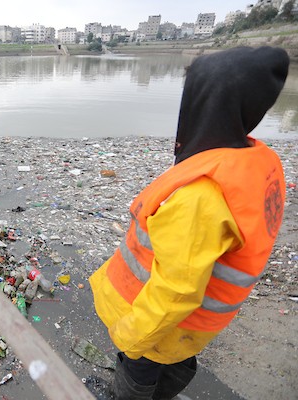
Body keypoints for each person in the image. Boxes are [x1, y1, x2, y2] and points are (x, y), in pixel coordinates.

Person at [89, 46, 289, 399]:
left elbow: (176, 292)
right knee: (168, 367)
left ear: (208, 105)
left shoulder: (203, 195)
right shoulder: (255, 163)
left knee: (140, 374)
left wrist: (129, 337)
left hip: (153, 328)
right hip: (186, 328)